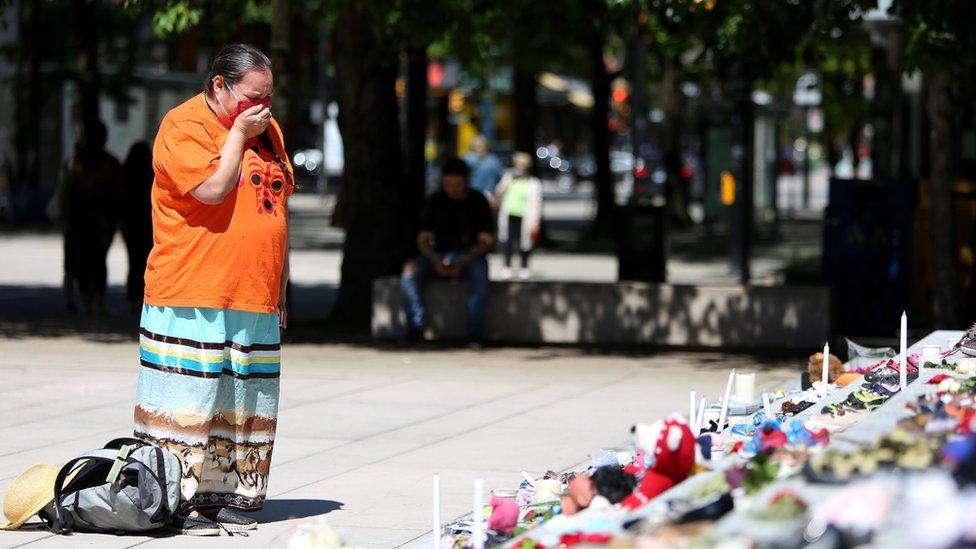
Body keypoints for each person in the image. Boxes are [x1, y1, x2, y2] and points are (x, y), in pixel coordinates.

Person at [133, 43, 292, 536]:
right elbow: (211, 190)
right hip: (192, 289)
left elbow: (277, 205)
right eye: (250, 97)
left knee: (246, 399)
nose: (260, 108)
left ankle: (233, 496)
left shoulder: (268, 130)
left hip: (254, 291)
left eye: (267, 97)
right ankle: (175, 502)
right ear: (219, 86)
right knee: (191, 400)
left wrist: (281, 285)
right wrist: (240, 136)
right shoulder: (183, 126)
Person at [401, 157, 493, 344]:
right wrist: (435, 260)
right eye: (449, 185)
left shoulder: (478, 201)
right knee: (409, 271)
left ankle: (473, 332)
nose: (453, 190)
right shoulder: (435, 201)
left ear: (466, 182)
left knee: (481, 276)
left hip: (469, 257)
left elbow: (486, 241)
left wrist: (465, 259)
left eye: (458, 185)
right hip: (439, 255)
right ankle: (416, 327)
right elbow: (423, 239)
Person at [59, 119, 121, 314]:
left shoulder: (73, 163)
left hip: (81, 220)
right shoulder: (109, 163)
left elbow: (65, 193)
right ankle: (94, 300)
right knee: (95, 261)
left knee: (80, 261)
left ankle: (81, 299)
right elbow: (118, 194)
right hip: (95, 221)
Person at [496, 152, 542, 280]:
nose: (520, 168)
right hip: (509, 214)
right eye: (518, 165)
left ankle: (524, 267)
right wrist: (505, 186)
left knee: (525, 242)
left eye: (523, 166)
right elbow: (498, 191)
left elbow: (537, 203)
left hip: (526, 217)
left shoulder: (534, 183)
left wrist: (536, 220)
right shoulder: (509, 178)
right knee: (507, 241)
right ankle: (507, 267)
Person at [120, 141, 154, 314]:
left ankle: (133, 298)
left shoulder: (126, 175)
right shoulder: (151, 175)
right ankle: (142, 297)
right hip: (148, 225)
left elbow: (121, 201)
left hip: (132, 224)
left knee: (133, 261)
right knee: (145, 261)